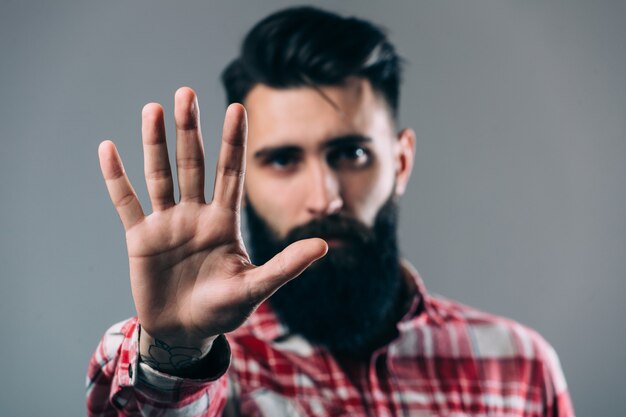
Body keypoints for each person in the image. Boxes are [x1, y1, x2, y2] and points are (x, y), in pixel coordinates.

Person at [86, 6, 575, 417]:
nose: (326, 197)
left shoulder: (521, 367)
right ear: (243, 182)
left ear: (400, 163)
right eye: (282, 159)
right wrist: (177, 351)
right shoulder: (217, 381)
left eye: (352, 154)